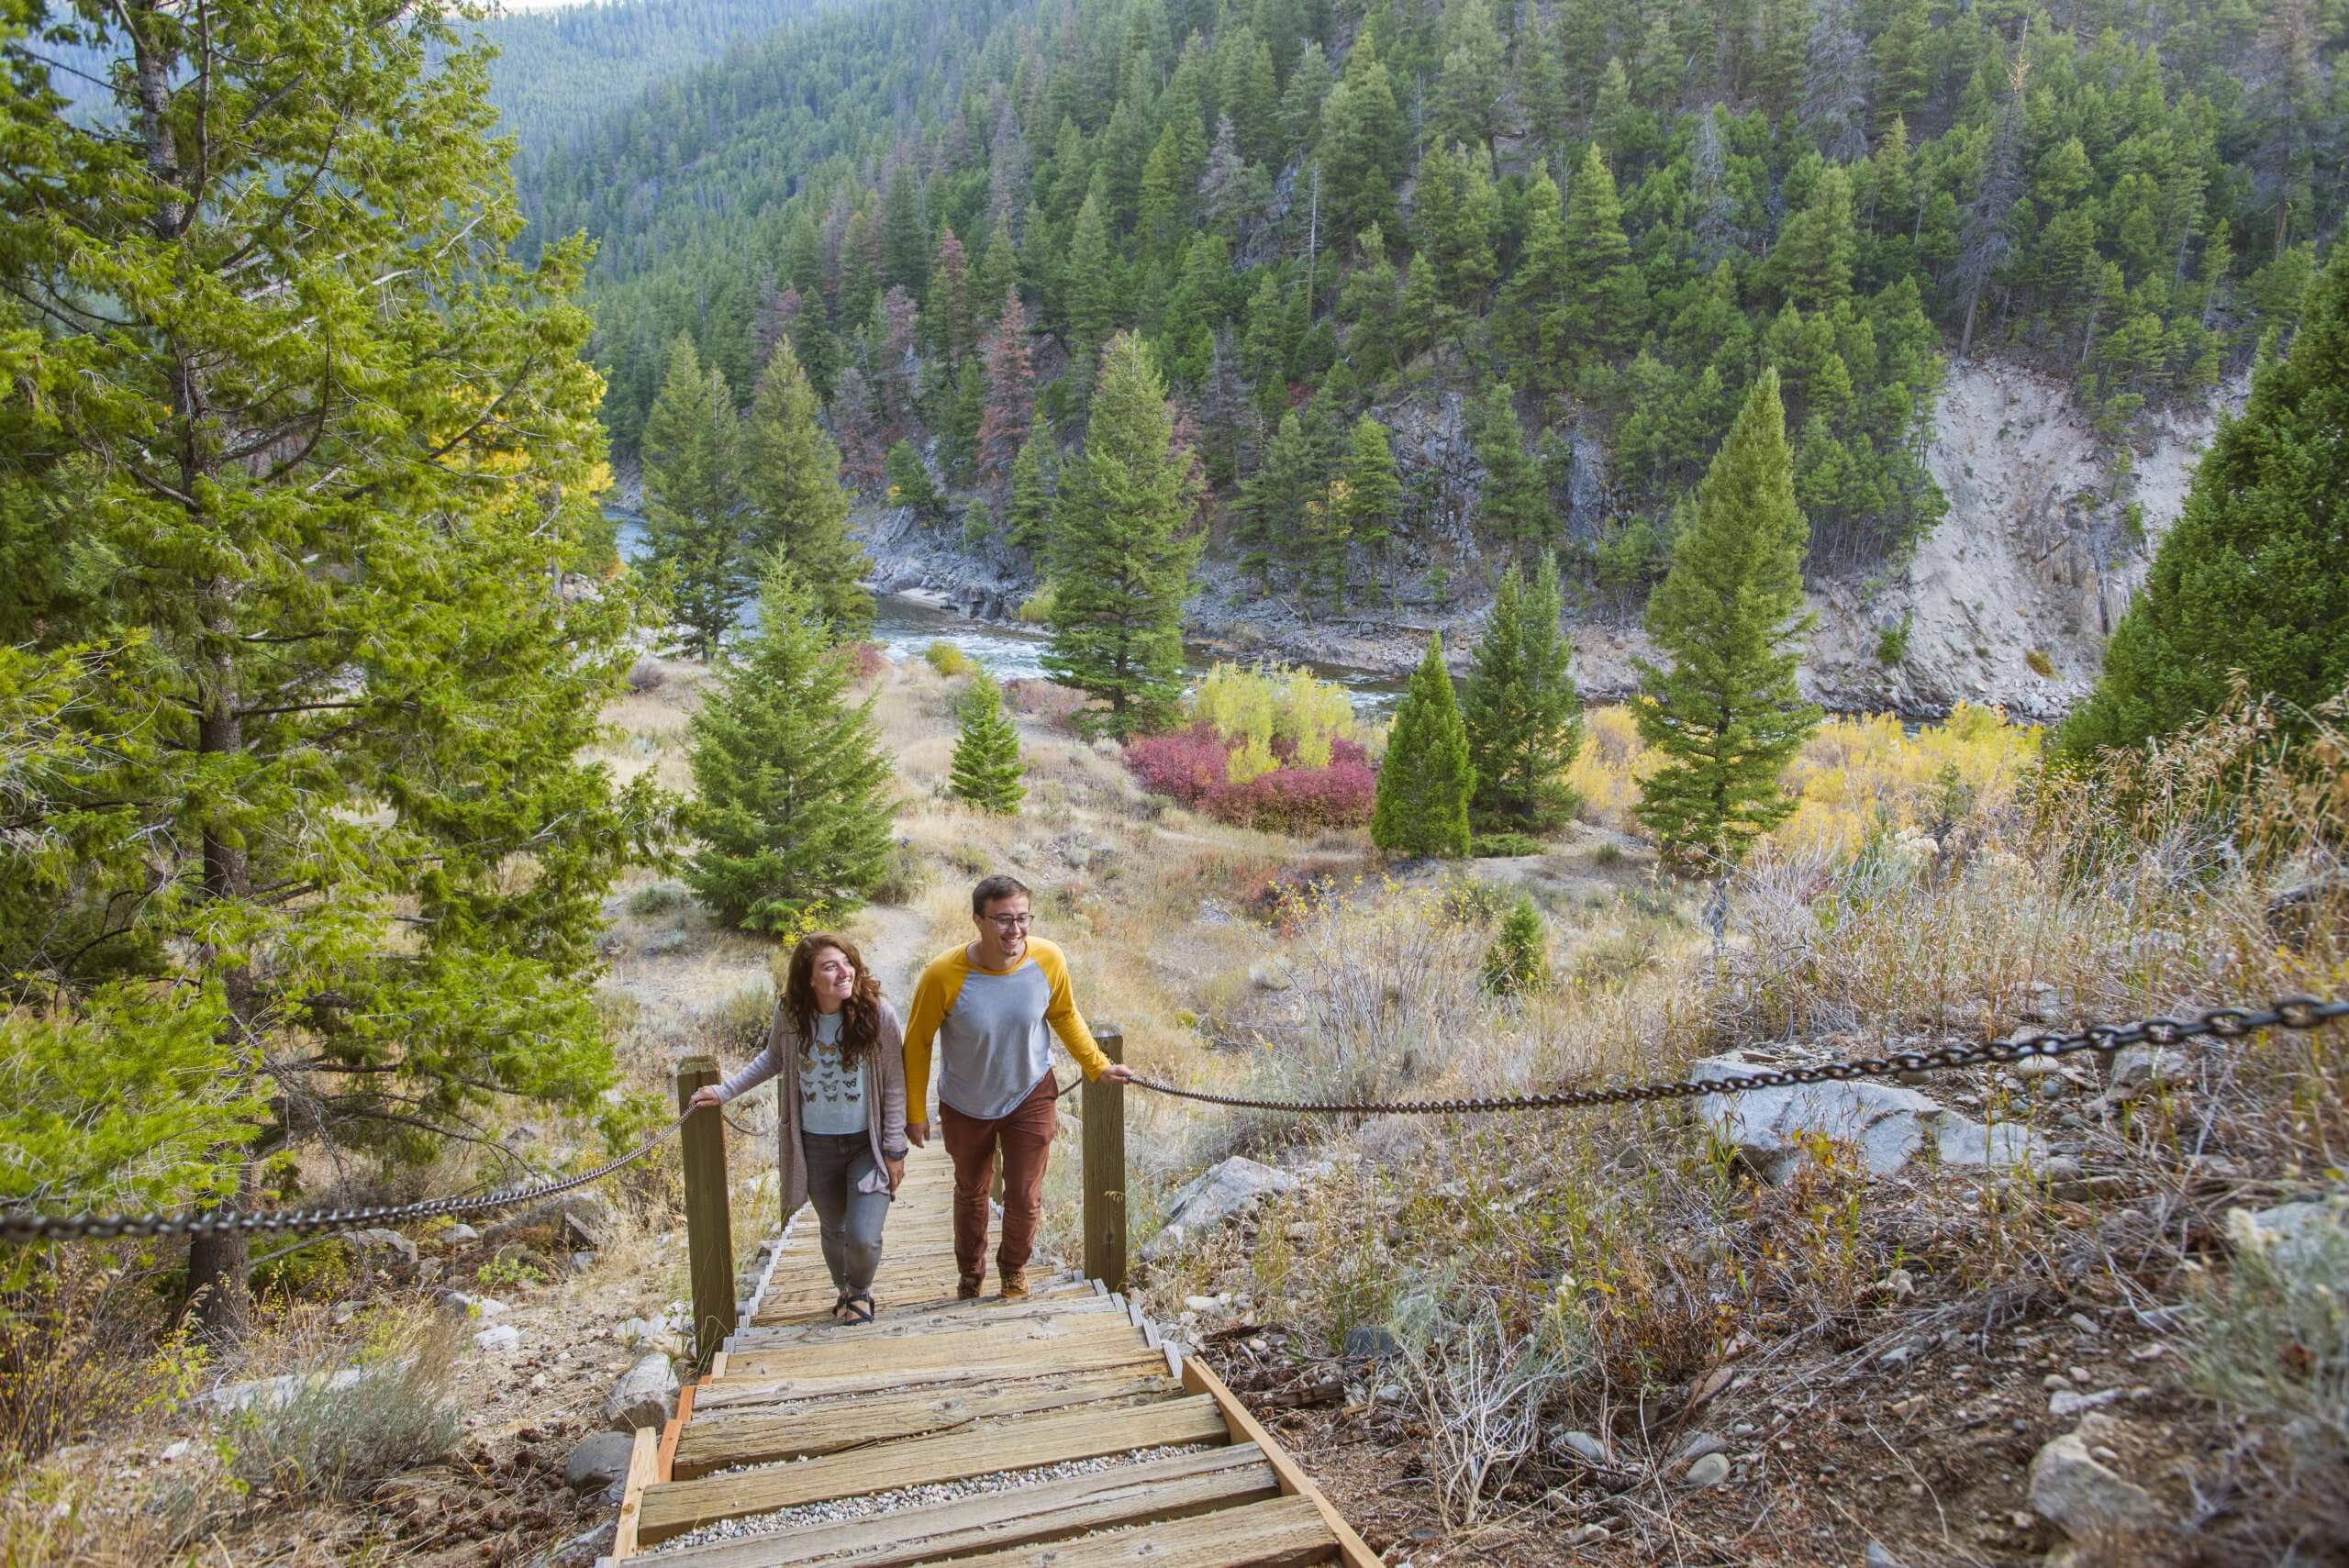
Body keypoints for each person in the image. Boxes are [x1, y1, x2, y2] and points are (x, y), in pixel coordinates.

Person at [903, 874, 1133, 1300]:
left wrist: (1097, 1066)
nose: (1015, 930)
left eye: (1023, 918)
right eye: (1003, 920)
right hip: (966, 1103)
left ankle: (1013, 1269)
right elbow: (917, 1043)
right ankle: (970, 1274)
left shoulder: (1047, 959)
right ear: (978, 920)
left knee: (1025, 1194)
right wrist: (914, 1113)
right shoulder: (942, 975)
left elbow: (1064, 1014)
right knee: (971, 1191)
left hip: (1030, 1092)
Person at [692, 932, 907, 1324]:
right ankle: (844, 1290)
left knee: (862, 1236)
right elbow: (772, 1059)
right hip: (814, 1145)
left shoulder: (878, 1014)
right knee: (833, 1228)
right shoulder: (791, 1016)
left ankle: (860, 1291)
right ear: (809, 978)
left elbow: (895, 1083)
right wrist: (724, 1092)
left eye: (847, 962)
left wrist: (895, 1149)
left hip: (867, 1145)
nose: (845, 972)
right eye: (830, 966)